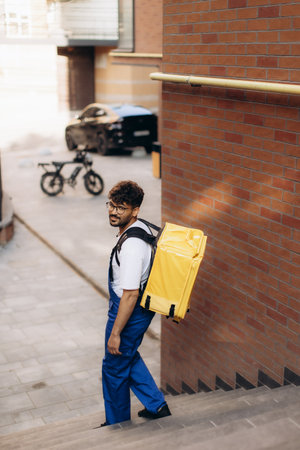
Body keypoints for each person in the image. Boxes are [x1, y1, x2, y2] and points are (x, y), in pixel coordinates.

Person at [101, 180, 171, 426]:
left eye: (121, 207)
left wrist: (116, 333)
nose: (113, 211)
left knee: (113, 366)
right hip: (135, 306)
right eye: (111, 205)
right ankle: (156, 404)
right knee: (127, 356)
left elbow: (130, 294)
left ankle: (117, 423)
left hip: (129, 309)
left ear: (135, 211)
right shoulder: (139, 227)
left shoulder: (131, 246)